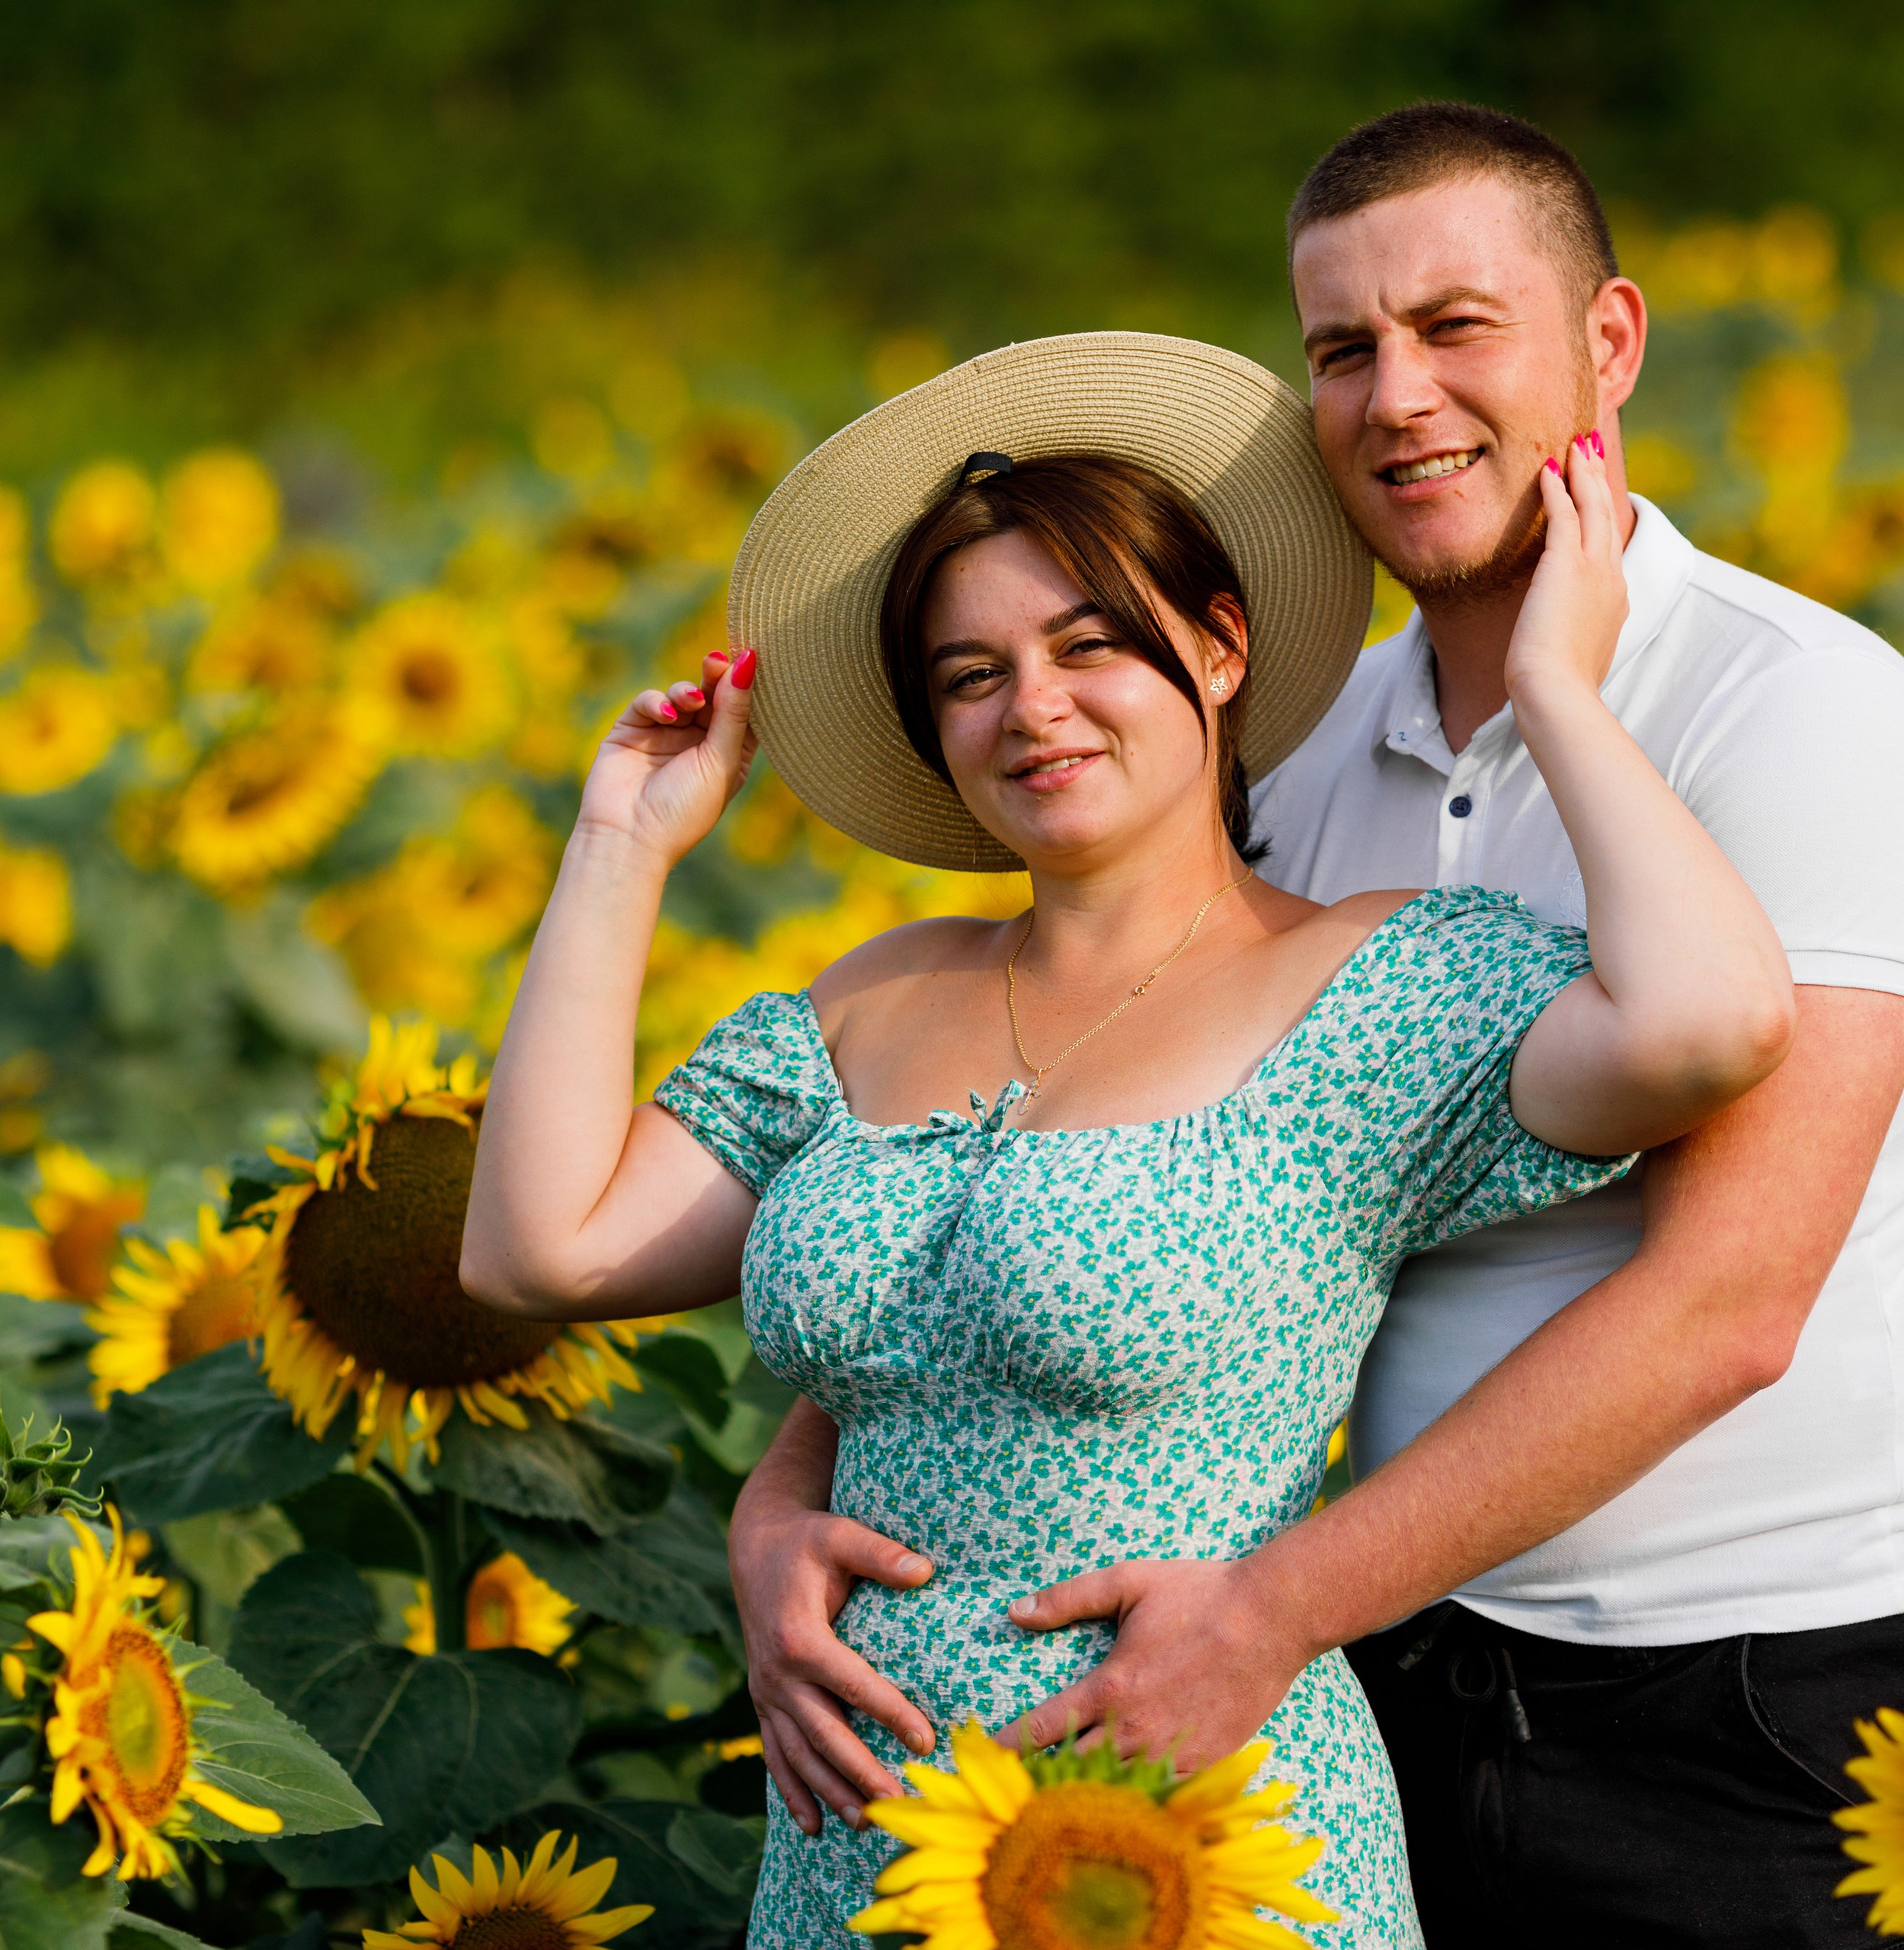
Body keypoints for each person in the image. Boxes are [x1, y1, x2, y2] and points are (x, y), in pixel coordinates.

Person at [731, 107, 1904, 1949]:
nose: (1396, 397)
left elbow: (1724, 1307)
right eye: (1342, 350)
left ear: (1606, 344)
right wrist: (787, 1488)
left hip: (1735, 1694)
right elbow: (1052, 1148)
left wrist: (1277, 1603)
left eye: (1456, 327)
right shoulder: (1288, 756)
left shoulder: (1800, 714)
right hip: (1382, 1669)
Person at [460, 330, 1794, 1948]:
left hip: (1192, 1832)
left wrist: (1549, 688)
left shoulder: (1369, 987)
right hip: (859, 1847)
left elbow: (1707, 1023)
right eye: (969, 674)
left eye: (1090, 645)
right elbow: (536, 1247)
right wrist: (619, 842)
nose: (1032, 708)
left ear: (1219, 648)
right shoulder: (870, 999)